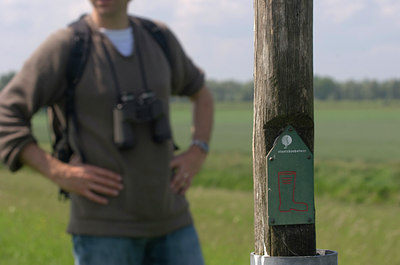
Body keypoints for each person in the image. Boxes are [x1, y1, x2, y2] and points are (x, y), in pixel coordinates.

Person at [0, 0, 214, 264]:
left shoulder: (158, 38)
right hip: (103, 230)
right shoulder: (68, 45)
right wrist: (58, 171)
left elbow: (201, 94)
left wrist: (198, 150)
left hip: (173, 221)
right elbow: (5, 113)